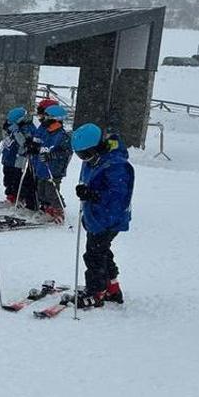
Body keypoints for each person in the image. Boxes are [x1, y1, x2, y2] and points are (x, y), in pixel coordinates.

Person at [71, 124, 134, 307]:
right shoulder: (95, 159)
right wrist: (86, 190)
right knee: (102, 252)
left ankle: (96, 291)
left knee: (94, 255)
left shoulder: (116, 165)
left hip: (109, 218)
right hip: (96, 216)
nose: (84, 159)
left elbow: (118, 197)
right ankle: (112, 288)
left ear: (99, 146)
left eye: (86, 154)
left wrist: (93, 195)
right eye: (80, 155)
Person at [27, 103, 72, 223]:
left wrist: (52, 155)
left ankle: (58, 211)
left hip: (54, 169)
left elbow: (67, 152)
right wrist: (34, 148)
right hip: (42, 167)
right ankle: (48, 209)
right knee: (41, 191)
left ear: (55, 120)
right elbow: (41, 147)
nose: (44, 120)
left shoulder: (62, 136)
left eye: (47, 118)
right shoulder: (46, 133)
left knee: (51, 192)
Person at [0, 107, 38, 209]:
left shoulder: (28, 128)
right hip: (9, 157)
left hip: (19, 159)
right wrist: (5, 129)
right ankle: (11, 196)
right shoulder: (12, 126)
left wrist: (17, 131)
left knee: (17, 179)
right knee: (7, 178)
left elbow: (24, 143)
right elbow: (6, 140)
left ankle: (20, 198)